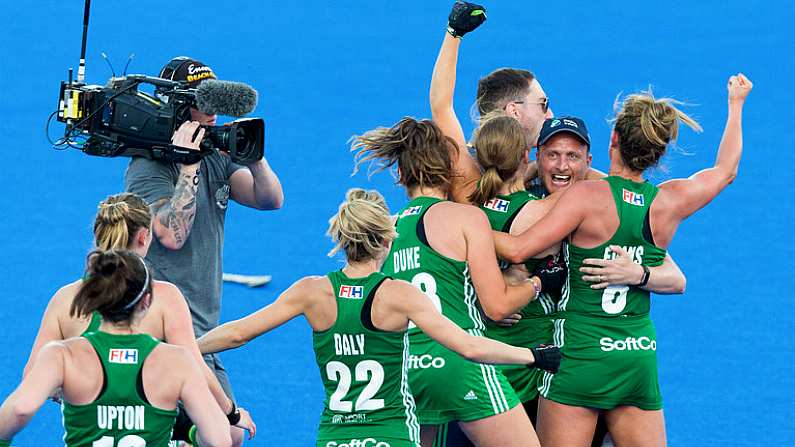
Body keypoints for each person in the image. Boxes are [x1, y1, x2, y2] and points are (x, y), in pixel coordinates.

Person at [429, 5, 686, 445]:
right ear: (515, 112)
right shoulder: (476, 183)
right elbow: (441, 109)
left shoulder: (572, 187)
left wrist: (637, 272)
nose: (550, 112)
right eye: (543, 104)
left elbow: (668, 268)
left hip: (564, 362)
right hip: (500, 366)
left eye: (571, 156)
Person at [493, 74, 752, 446]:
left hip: (581, 356)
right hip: (636, 357)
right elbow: (725, 171)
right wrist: (736, 104)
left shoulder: (586, 197)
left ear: (613, 141)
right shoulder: (667, 202)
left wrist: (463, 228)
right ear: (657, 153)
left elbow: (518, 250)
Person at [196, 188, 561, 447]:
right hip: (392, 434)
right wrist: (535, 356)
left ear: (342, 239)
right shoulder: (399, 295)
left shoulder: (311, 291)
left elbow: (237, 334)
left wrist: (184, 347)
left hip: (335, 437)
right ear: (387, 240)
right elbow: (468, 347)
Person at [352, 117, 557, 447]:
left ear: (401, 174)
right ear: (449, 170)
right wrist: (537, 283)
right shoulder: (466, 217)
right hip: (459, 362)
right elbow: (497, 305)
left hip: (405, 369)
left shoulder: (386, 231)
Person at [125, 55, 283, 441]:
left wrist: (255, 159)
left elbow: (269, 200)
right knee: (223, 435)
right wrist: (189, 166)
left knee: (228, 436)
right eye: (203, 103)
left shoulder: (215, 154)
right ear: (179, 107)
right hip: (160, 333)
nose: (213, 113)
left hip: (202, 332)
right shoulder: (147, 167)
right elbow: (172, 234)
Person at [22, 190, 255, 443]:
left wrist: (71, 384)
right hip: (153, 410)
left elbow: (31, 375)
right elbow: (196, 366)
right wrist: (231, 413)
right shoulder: (165, 297)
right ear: (144, 237)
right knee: (229, 435)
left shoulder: (64, 298)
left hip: (91, 418)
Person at [0, 250, 232, 447]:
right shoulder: (178, 361)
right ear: (146, 302)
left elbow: (21, 408)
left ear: (95, 299)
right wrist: (190, 434)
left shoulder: (61, 355)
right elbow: (220, 439)